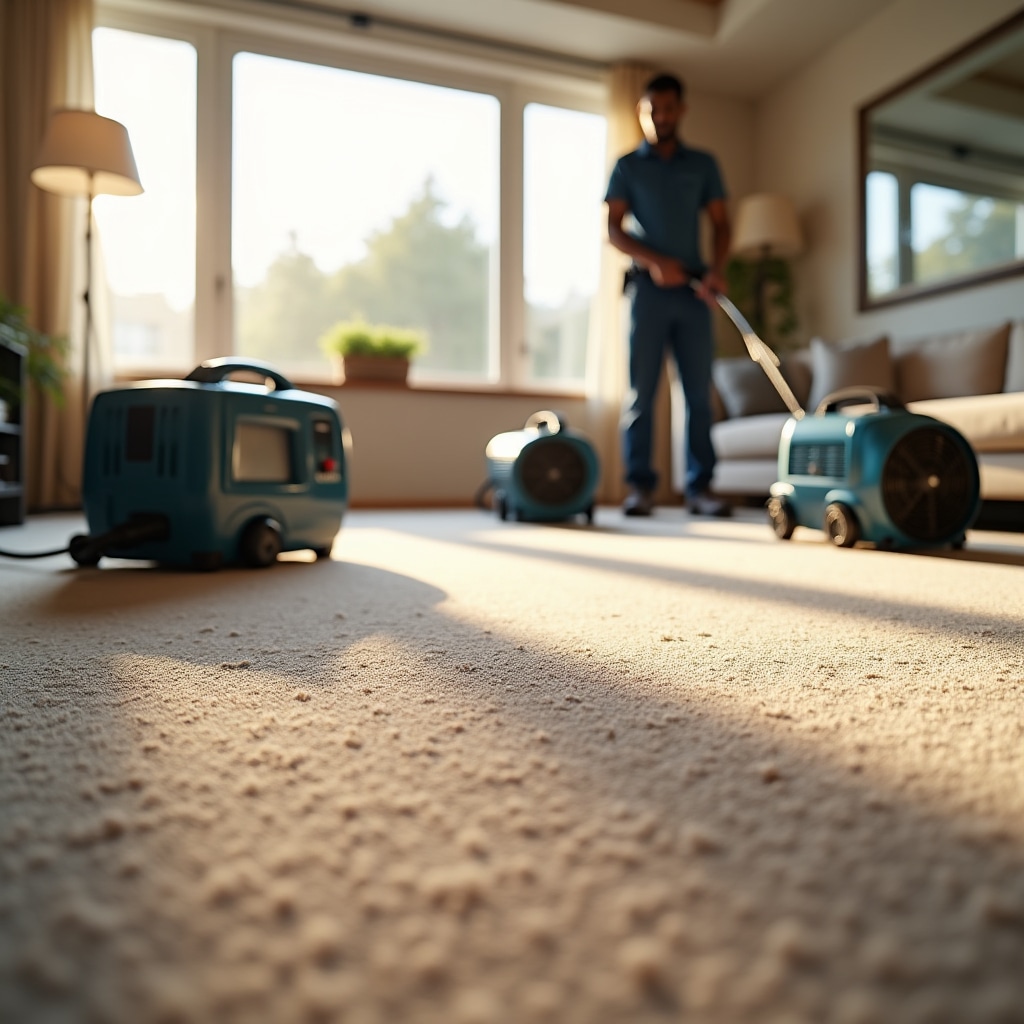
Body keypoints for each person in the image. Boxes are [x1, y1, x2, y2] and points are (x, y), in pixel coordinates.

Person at [605, 72, 732, 518]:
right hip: (648, 293)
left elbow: (721, 223)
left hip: (695, 294)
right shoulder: (627, 166)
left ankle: (700, 488)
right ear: (642, 112)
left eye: (668, 109)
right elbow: (613, 230)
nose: (660, 117)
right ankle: (640, 488)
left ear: (681, 111)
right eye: (651, 110)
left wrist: (716, 271)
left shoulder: (703, 164)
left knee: (698, 394)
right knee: (642, 394)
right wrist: (656, 262)